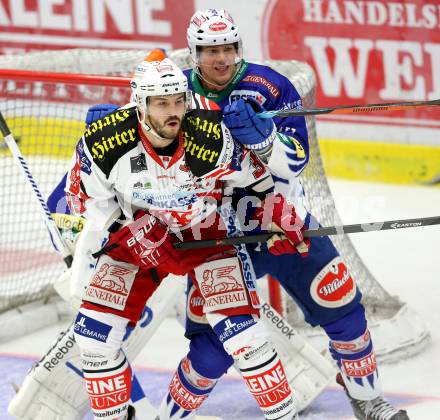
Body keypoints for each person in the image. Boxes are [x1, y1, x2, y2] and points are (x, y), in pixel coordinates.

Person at [173, 8, 410, 420]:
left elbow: (296, 160)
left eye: (229, 47)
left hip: (283, 226)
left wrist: (264, 139)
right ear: (195, 53)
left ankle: (366, 399)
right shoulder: (176, 95)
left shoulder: (268, 86)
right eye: (211, 50)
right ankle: (165, 414)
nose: (222, 58)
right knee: (211, 350)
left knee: (344, 309)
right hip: (219, 241)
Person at [65, 55, 301, 420]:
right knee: (94, 340)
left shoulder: (208, 132)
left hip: (204, 235)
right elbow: (81, 198)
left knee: (246, 339)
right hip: (135, 241)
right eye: (162, 103)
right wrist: (122, 228)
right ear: (140, 104)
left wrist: (272, 213)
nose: (174, 111)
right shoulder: (106, 139)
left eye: (178, 100)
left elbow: (254, 182)